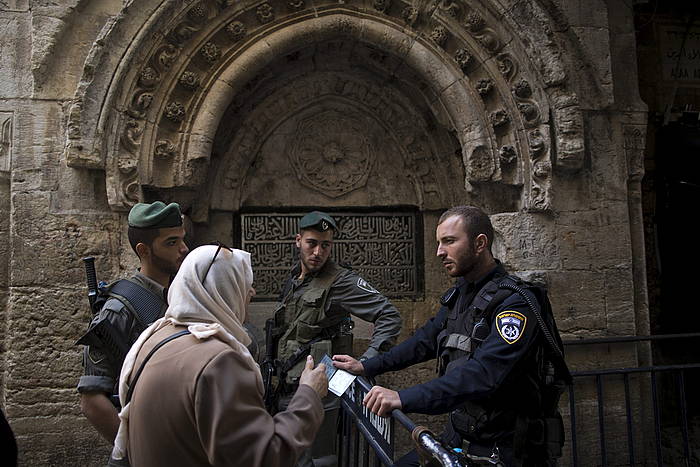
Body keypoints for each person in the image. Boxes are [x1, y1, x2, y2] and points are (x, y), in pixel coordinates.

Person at [333, 206, 569, 466]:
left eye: (449, 241)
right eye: (438, 242)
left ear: (480, 243)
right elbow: (425, 340)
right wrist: (367, 365)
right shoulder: (462, 294)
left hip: (504, 450)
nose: (439, 252)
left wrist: (403, 397)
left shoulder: (516, 303)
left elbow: (483, 374)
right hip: (459, 438)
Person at [111, 245, 328, 467]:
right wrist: (308, 395)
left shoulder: (156, 336)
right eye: (242, 284)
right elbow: (264, 458)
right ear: (221, 289)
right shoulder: (219, 361)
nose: (251, 293)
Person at [269, 211, 402, 466]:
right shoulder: (295, 279)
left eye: (325, 245)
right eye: (312, 243)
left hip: (320, 393)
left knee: (316, 460)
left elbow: (390, 316)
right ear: (298, 240)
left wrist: (367, 362)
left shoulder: (340, 281)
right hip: (286, 388)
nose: (318, 252)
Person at [76, 201, 189, 445]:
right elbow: (92, 401)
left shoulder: (177, 296)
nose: (183, 249)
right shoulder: (118, 310)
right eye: (171, 242)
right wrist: (135, 451)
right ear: (144, 250)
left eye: (182, 239)